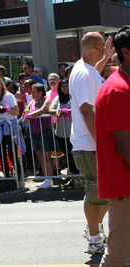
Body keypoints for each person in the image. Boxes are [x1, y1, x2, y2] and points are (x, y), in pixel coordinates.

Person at [69, 32, 114, 254]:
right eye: (102, 48)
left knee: (103, 193)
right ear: (96, 46)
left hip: (91, 143)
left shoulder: (84, 71)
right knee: (96, 192)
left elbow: (92, 81)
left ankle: (93, 229)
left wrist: (104, 59)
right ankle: (94, 237)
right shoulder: (83, 73)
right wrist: (102, 142)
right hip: (90, 144)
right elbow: (87, 110)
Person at [96, 26, 130, 267]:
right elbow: (125, 145)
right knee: (118, 256)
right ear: (127, 52)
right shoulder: (119, 89)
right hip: (124, 183)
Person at [0, 76, 22, 179]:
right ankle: (7, 176)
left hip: (10, 126)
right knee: (1, 153)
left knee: (12, 153)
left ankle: (19, 177)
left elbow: (17, 112)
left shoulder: (8, 96)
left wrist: (6, 108)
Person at [23, 83, 54, 189]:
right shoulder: (31, 102)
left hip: (45, 131)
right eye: (32, 91)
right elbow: (26, 113)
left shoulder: (47, 99)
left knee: (46, 157)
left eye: (35, 91)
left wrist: (30, 116)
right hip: (34, 132)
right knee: (40, 157)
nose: (32, 93)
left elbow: (44, 110)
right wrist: (26, 116)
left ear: (41, 92)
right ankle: (46, 179)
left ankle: (49, 179)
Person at [48, 79, 79, 177]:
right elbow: (50, 109)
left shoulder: (74, 96)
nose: (65, 88)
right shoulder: (57, 98)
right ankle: (72, 175)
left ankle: (78, 174)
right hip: (61, 132)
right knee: (67, 154)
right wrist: (57, 111)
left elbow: (79, 107)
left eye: (67, 86)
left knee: (75, 154)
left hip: (73, 131)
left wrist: (67, 111)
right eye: (63, 86)